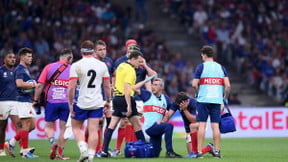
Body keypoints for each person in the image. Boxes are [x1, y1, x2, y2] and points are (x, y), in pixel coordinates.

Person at [68, 40, 111, 162]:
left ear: (81, 51)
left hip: (81, 102)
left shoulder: (76, 65)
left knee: (76, 128)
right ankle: (91, 157)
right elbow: (107, 86)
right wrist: (108, 100)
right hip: (97, 102)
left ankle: (83, 150)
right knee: (94, 130)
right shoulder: (102, 65)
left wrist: (70, 103)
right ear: (93, 51)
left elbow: (71, 87)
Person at [113, 39, 157, 155]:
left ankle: (133, 146)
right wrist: (114, 91)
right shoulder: (120, 61)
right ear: (127, 47)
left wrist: (145, 64)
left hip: (139, 96)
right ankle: (119, 148)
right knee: (124, 122)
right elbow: (115, 77)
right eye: (130, 46)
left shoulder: (140, 61)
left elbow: (152, 77)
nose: (132, 48)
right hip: (125, 94)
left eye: (134, 46)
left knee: (135, 123)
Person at [101, 50, 146, 157]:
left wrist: (114, 92)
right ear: (133, 59)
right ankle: (144, 147)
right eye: (139, 62)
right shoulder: (131, 70)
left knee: (112, 124)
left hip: (117, 98)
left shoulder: (121, 66)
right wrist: (129, 106)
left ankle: (104, 150)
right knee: (137, 124)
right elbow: (127, 87)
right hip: (126, 99)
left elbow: (115, 78)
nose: (140, 65)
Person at [33, 48, 73, 160]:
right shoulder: (73, 69)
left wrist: (36, 100)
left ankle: (52, 143)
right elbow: (75, 87)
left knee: (49, 126)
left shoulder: (49, 67)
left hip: (51, 101)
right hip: (66, 102)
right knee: (63, 128)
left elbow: (40, 85)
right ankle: (60, 154)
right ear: (68, 58)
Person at [192, 45, 231, 158]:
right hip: (216, 100)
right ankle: (217, 152)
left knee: (202, 126)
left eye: (202, 55)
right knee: (215, 126)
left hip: (203, 99)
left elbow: (194, 84)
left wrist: (198, 92)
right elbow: (228, 86)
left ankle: (199, 152)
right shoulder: (221, 68)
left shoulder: (201, 67)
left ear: (204, 54)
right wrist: (224, 98)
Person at [133, 77, 182, 158]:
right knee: (169, 126)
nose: (153, 87)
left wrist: (180, 105)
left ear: (161, 87)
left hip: (158, 128)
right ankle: (169, 152)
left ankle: (141, 150)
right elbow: (134, 88)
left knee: (154, 155)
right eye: (152, 85)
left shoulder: (165, 99)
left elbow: (171, 109)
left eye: (156, 85)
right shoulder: (147, 95)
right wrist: (146, 81)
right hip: (150, 127)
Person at [5, 48, 39, 158]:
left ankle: (11, 143)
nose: (31, 58)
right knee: (25, 125)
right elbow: (19, 84)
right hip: (22, 100)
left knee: (32, 125)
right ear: (23, 57)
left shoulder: (25, 69)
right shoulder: (20, 69)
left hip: (27, 100)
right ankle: (25, 152)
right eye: (28, 56)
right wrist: (33, 85)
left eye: (31, 56)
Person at [84, 40, 114, 156]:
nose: (103, 52)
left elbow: (113, 75)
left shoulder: (109, 62)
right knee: (97, 123)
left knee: (110, 121)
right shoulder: (91, 63)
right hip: (94, 96)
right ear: (95, 51)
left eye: (104, 49)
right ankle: (93, 148)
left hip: (107, 97)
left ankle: (102, 148)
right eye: (100, 50)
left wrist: (113, 85)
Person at [162, 92, 215, 158]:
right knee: (191, 154)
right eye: (179, 105)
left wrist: (185, 110)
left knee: (193, 154)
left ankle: (206, 149)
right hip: (189, 128)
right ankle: (209, 148)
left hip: (200, 125)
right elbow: (168, 115)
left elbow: (194, 120)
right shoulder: (177, 103)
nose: (180, 106)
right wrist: (162, 124)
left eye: (181, 105)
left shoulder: (194, 103)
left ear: (187, 101)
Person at [0, 52, 22, 156]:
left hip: (15, 101)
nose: (13, 59)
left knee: (19, 124)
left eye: (14, 57)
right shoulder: (1, 71)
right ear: (4, 60)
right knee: (2, 127)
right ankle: (1, 149)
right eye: (10, 57)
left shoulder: (18, 71)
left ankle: (23, 149)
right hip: (2, 102)